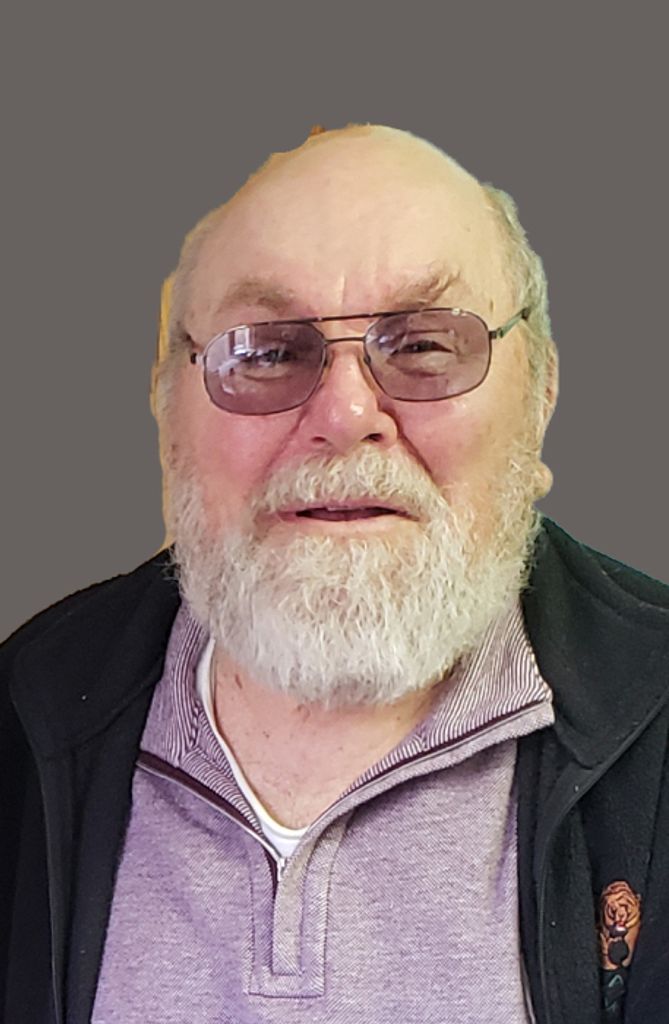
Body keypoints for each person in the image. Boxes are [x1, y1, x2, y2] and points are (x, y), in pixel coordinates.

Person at [1, 124, 668, 1024]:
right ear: (167, 410)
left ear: (541, 392)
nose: (347, 414)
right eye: (266, 352)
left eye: (424, 345)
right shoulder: (24, 715)